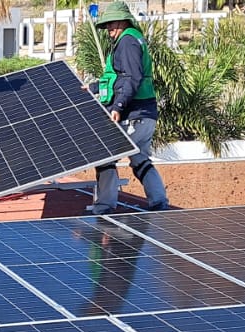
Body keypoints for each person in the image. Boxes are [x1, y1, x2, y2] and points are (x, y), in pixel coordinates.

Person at [86, 1, 169, 215]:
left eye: (112, 25)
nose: (109, 31)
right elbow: (119, 77)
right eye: (106, 27)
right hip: (146, 113)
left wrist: (118, 106)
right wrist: (94, 87)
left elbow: (132, 76)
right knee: (140, 158)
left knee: (105, 157)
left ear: (123, 21)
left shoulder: (128, 41)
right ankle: (159, 202)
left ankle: (104, 205)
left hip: (133, 113)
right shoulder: (132, 38)